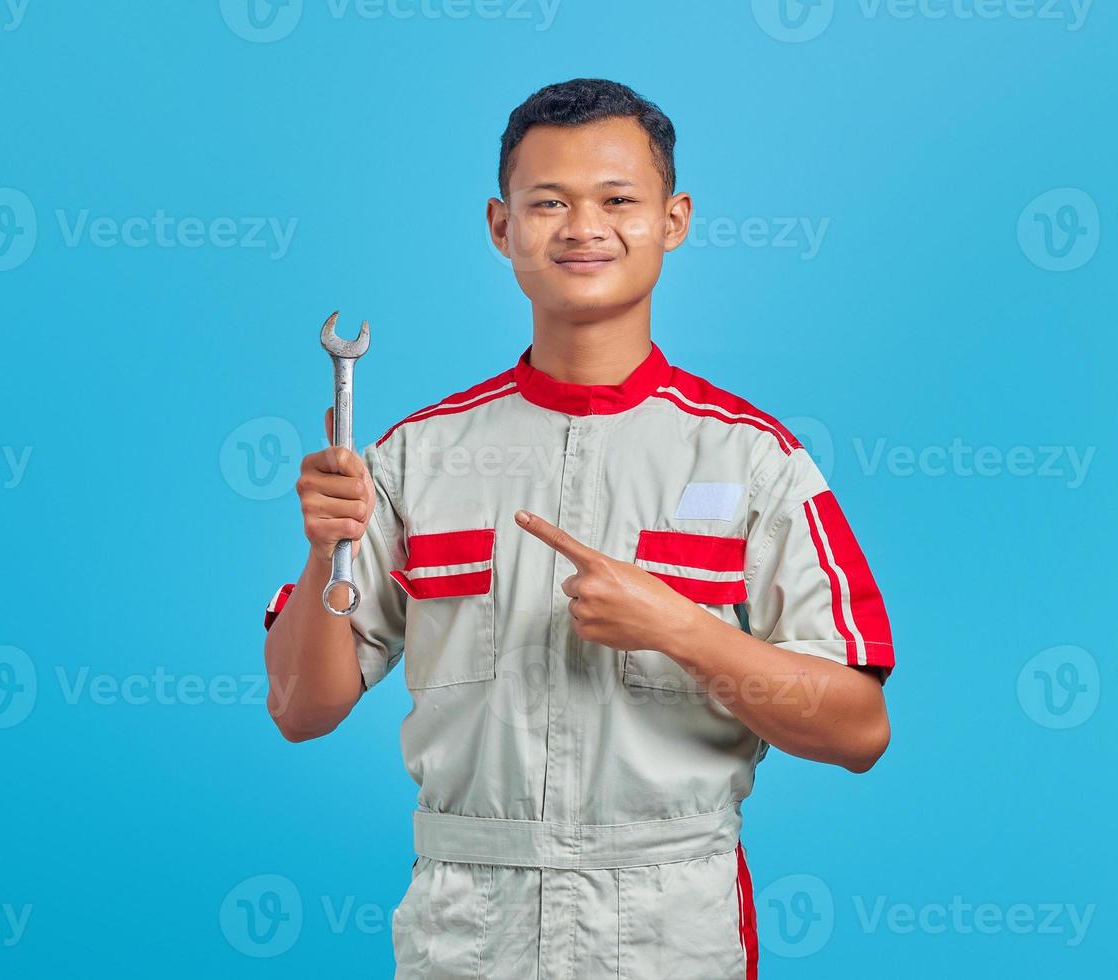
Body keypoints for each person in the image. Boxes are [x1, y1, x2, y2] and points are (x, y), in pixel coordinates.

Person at [263, 77, 894, 979]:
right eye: (547, 202)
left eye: (617, 200)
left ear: (673, 220)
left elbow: (859, 731)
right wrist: (326, 543)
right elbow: (299, 709)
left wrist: (679, 627)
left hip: (669, 924)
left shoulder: (753, 461)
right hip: (466, 927)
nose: (582, 227)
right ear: (500, 225)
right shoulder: (413, 458)